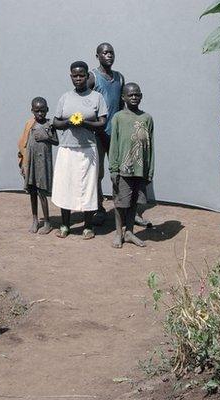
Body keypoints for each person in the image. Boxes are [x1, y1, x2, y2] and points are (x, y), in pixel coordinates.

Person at [51, 61, 108, 238]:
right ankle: (65, 225)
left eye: (81, 75)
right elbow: (56, 122)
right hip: (67, 148)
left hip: (88, 149)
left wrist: (85, 123)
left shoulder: (97, 98)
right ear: (70, 76)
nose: (78, 78)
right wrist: (68, 122)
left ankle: (88, 226)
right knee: (65, 185)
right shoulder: (65, 97)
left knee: (88, 187)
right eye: (75, 76)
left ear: (87, 76)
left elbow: (102, 123)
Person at [108, 82, 154, 248]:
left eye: (137, 94)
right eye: (130, 95)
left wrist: (150, 171)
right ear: (123, 97)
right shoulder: (118, 117)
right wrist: (113, 168)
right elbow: (114, 144)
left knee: (134, 201)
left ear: (141, 96)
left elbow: (151, 146)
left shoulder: (147, 118)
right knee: (121, 203)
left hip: (140, 169)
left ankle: (130, 232)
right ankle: (118, 232)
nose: (134, 97)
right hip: (123, 168)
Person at [88, 42, 123, 222]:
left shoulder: (119, 78)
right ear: (98, 56)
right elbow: (84, 100)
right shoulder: (92, 77)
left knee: (118, 172)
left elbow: (123, 107)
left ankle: (121, 207)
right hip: (98, 135)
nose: (109, 55)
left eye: (111, 52)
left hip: (116, 135)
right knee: (98, 173)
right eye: (105, 52)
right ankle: (99, 208)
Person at [17, 97, 56, 234]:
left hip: (43, 163)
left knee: (42, 192)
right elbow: (23, 144)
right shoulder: (30, 124)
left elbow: (56, 141)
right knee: (32, 191)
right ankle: (35, 219)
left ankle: (47, 222)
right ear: (32, 110)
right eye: (37, 111)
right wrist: (23, 164)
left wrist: (46, 137)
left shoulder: (50, 125)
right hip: (31, 163)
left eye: (43, 111)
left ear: (47, 110)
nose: (40, 114)